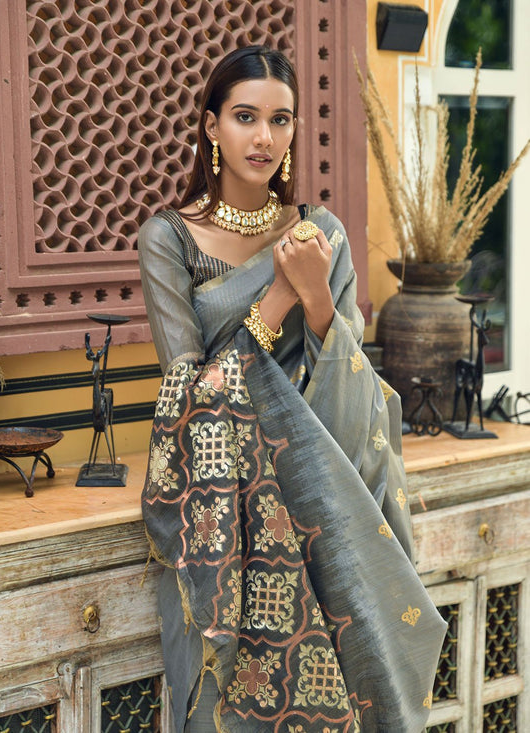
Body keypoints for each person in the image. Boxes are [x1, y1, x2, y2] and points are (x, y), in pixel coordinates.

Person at [139, 45, 446, 733]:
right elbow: (190, 401)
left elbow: (355, 391)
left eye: (280, 120)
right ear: (211, 125)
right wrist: (281, 294)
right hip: (226, 505)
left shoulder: (321, 234)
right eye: (245, 116)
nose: (264, 137)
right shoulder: (167, 239)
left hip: (323, 489)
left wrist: (318, 301)